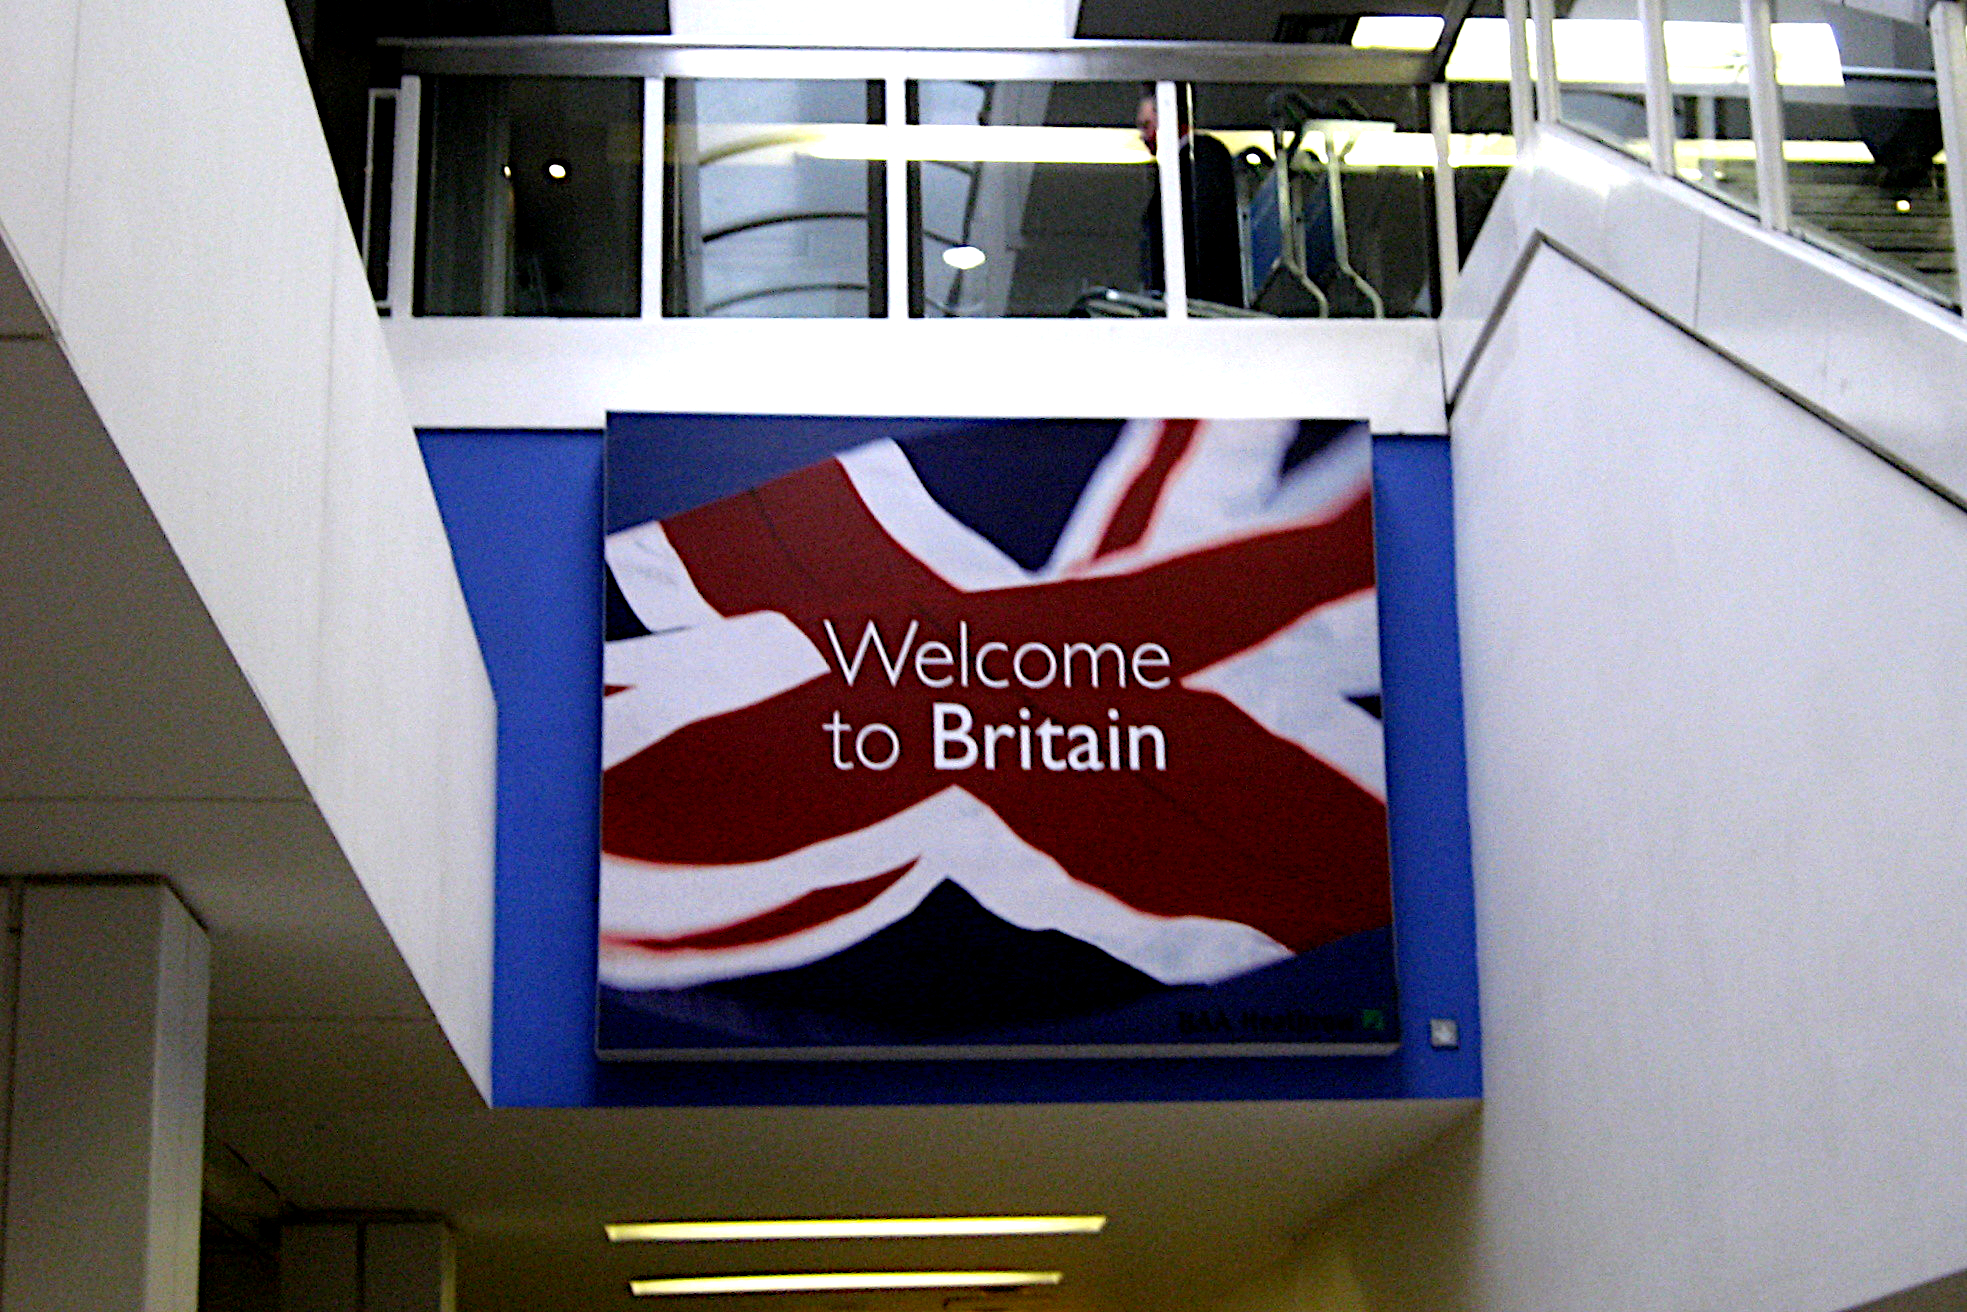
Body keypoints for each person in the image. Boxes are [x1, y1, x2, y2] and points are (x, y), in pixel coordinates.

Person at [1137, 87, 1245, 309]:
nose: (1143, 136)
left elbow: (1207, 233)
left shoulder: (1202, 157)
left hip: (1204, 302)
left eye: (1146, 125)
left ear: (1167, 118)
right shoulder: (1173, 170)